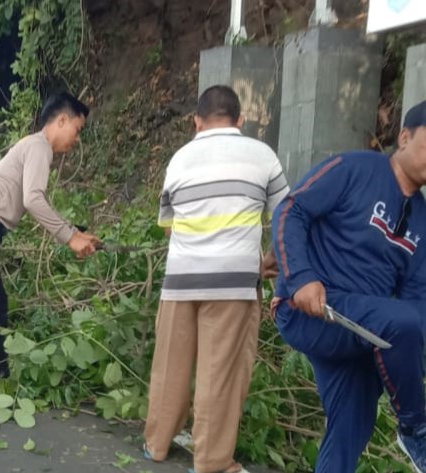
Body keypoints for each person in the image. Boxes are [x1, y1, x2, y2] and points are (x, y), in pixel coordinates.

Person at [271, 101, 426, 473]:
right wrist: (302, 277)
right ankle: (416, 428)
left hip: (358, 329)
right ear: (404, 137)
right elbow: (291, 211)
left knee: (352, 426)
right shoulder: (353, 168)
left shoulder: (423, 219)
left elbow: (417, 302)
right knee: (400, 322)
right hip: (309, 310)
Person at [143, 85, 289, 473]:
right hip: (233, 282)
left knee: (170, 364)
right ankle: (212, 462)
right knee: (218, 371)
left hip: (180, 279)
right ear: (241, 121)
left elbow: (170, 227)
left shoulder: (178, 159)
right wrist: (270, 259)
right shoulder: (263, 155)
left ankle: (156, 444)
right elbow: (288, 218)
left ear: (196, 121)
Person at [0, 92, 101, 416]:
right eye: (77, 128)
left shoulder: (34, 147)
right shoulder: (39, 146)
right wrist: (69, 237)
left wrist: (76, 231)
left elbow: (33, 199)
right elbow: (33, 199)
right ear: (61, 120)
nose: (77, 138)